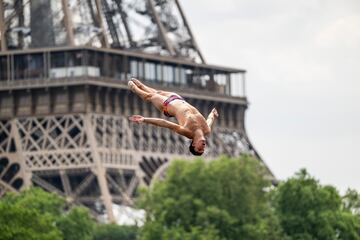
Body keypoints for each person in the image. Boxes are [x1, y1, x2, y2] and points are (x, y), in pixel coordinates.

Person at [128, 78, 219, 155]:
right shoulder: (206, 130)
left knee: (150, 96)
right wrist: (213, 114)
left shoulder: (187, 132)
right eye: (203, 150)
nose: (203, 148)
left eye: (199, 149)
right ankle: (142, 86)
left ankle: (135, 89)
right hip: (178, 99)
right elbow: (210, 120)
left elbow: (166, 124)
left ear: (194, 144)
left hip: (167, 106)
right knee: (157, 92)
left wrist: (144, 119)